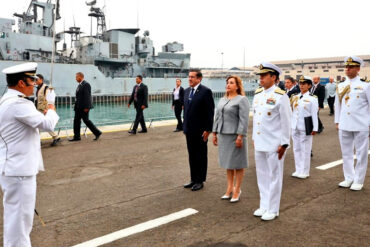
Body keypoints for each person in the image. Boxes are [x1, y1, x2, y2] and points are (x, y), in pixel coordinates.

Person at [0, 62, 59, 247]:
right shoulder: (18, 104)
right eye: (31, 80)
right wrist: (51, 104)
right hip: (19, 172)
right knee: (20, 224)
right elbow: (47, 124)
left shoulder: (6, 100)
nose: (35, 83)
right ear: (20, 83)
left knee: (15, 221)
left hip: (13, 169)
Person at [252, 62, 291, 221]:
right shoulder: (258, 94)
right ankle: (264, 205)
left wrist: (284, 144)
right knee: (262, 176)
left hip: (275, 144)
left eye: (263, 75)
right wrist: (255, 137)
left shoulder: (281, 96)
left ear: (273, 77)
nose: (260, 78)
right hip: (260, 142)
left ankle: (273, 209)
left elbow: (286, 122)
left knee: (274, 176)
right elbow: (256, 119)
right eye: (260, 75)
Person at [335, 56, 370, 191]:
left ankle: (359, 180)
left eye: (351, 67)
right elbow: (337, 105)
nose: (347, 69)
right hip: (344, 124)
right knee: (346, 153)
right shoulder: (341, 85)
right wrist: (337, 121)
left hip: (361, 124)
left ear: (358, 69)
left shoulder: (366, 85)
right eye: (346, 67)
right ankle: (349, 177)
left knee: (361, 153)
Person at [212, 75, 249, 202]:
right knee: (228, 163)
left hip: (235, 136)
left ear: (237, 86)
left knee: (237, 164)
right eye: (227, 83)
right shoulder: (222, 99)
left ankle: (237, 190)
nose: (228, 85)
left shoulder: (242, 100)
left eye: (231, 83)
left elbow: (244, 120)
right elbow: (217, 117)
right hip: (223, 135)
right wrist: (215, 132)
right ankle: (229, 188)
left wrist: (240, 136)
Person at [183, 69, 215, 191]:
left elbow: (209, 112)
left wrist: (208, 129)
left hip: (201, 131)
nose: (190, 79)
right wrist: (184, 127)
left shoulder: (206, 92)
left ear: (199, 79)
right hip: (189, 130)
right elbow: (185, 111)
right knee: (191, 155)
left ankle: (200, 180)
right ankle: (193, 179)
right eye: (189, 77)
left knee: (200, 155)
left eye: (192, 77)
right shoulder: (186, 92)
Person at [290, 76, 318, 179]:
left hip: (306, 127)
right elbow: (292, 112)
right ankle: (298, 169)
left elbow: (314, 114)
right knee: (296, 149)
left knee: (305, 150)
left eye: (304, 84)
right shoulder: (295, 97)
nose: (301, 85)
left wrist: (315, 128)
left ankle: (305, 171)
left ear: (309, 85)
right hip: (295, 126)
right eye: (300, 84)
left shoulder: (312, 98)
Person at [70, 72, 101, 141]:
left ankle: (97, 132)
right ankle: (77, 136)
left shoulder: (86, 84)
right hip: (78, 107)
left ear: (80, 77)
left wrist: (87, 107)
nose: (75, 78)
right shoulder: (80, 85)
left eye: (76, 77)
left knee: (86, 121)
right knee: (76, 121)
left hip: (84, 107)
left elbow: (87, 97)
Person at [35, 74, 61, 146]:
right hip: (39, 109)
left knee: (45, 125)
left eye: (36, 79)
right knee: (39, 125)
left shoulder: (46, 88)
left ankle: (55, 137)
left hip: (44, 110)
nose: (35, 81)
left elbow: (49, 100)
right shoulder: (38, 88)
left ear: (41, 79)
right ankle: (38, 140)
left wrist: (47, 110)